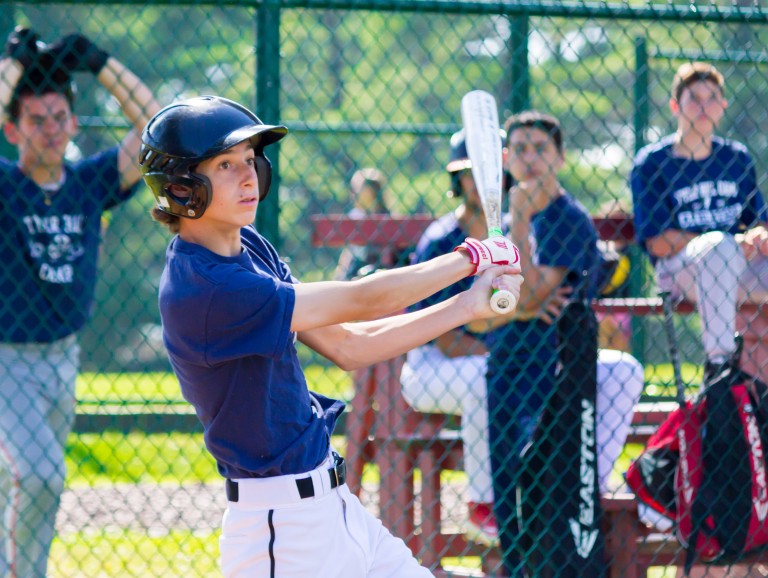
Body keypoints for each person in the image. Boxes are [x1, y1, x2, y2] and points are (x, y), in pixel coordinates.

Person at [139, 95, 523, 578]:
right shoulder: (209, 288)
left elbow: (349, 344)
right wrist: (472, 257)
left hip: (333, 506)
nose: (247, 175)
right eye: (223, 164)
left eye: (248, 161)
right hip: (284, 531)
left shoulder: (248, 246)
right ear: (180, 187)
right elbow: (362, 298)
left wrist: (467, 304)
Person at [0, 27, 160, 578]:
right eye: (36, 120)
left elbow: (158, 131)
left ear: (73, 121)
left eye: (59, 118)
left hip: (61, 357)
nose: (50, 130)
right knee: (42, 475)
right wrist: (11, 74)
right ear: (12, 129)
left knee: (12, 482)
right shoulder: (5, 187)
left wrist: (101, 63)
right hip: (5, 359)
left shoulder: (89, 182)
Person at [464, 111, 644, 576]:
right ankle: (520, 566)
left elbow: (519, 293)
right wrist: (516, 302)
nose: (529, 159)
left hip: (555, 364)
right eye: (519, 149)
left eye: (540, 149)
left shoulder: (567, 219)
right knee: (507, 481)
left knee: (540, 478)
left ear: (560, 157)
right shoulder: (496, 214)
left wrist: (520, 222)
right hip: (508, 357)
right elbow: (504, 301)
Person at [630, 61, 768, 380]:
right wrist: (731, 242)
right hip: (681, 270)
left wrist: (758, 237)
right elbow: (659, 242)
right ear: (676, 106)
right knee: (718, 247)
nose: (703, 106)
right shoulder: (652, 163)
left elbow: (757, 220)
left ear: (722, 106)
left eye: (711, 98)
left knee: (725, 249)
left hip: (738, 266)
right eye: (694, 98)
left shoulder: (737, 157)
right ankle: (719, 368)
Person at [400, 129, 503, 547]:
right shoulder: (442, 241)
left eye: (490, 173)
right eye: (471, 174)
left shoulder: (511, 233)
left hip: (492, 364)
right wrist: (510, 360)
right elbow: (444, 338)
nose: (481, 183)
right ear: (458, 180)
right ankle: (483, 505)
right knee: (484, 376)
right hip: (430, 367)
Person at [334, 167, 395, 280]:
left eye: (357, 189)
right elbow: (348, 253)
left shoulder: (387, 219)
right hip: (357, 269)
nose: (353, 194)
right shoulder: (355, 215)